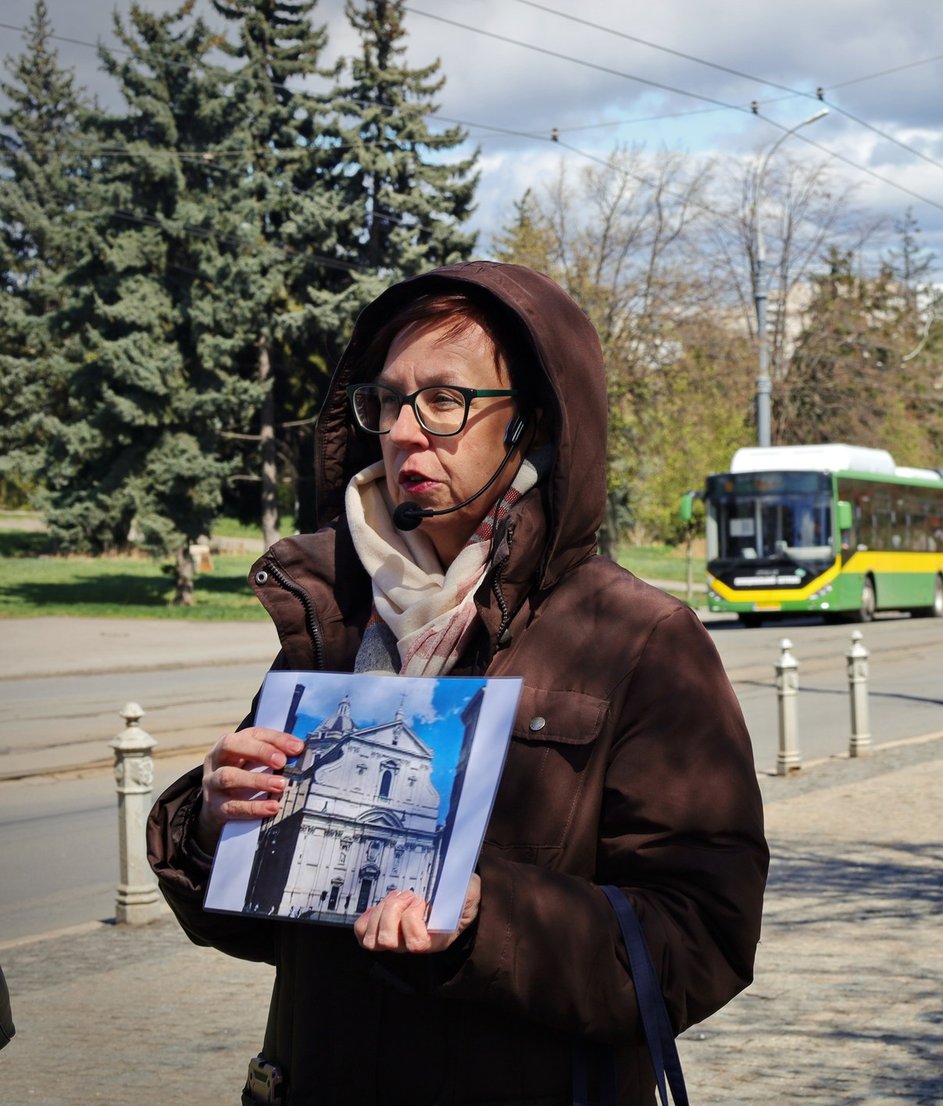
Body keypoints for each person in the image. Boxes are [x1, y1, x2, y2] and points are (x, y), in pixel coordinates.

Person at [147, 262, 768, 1104]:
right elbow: (263, 930)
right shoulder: (336, 616)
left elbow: (701, 940)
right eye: (388, 401)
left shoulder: (640, 639)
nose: (404, 430)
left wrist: (484, 915)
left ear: (533, 423)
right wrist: (215, 826)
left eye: (444, 401)